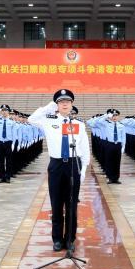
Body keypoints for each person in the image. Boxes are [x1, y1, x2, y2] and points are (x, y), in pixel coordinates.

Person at [27, 89, 90, 252]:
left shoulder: (78, 125)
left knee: (71, 205)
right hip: (56, 165)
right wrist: (48, 107)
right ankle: (57, 239)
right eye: (61, 102)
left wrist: (83, 169)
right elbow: (31, 119)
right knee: (56, 204)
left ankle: (70, 239)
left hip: (73, 164)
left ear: (71, 105)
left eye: (67, 102)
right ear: (57, 105)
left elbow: (84, 148)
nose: (64, 104)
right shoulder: (48, 121)